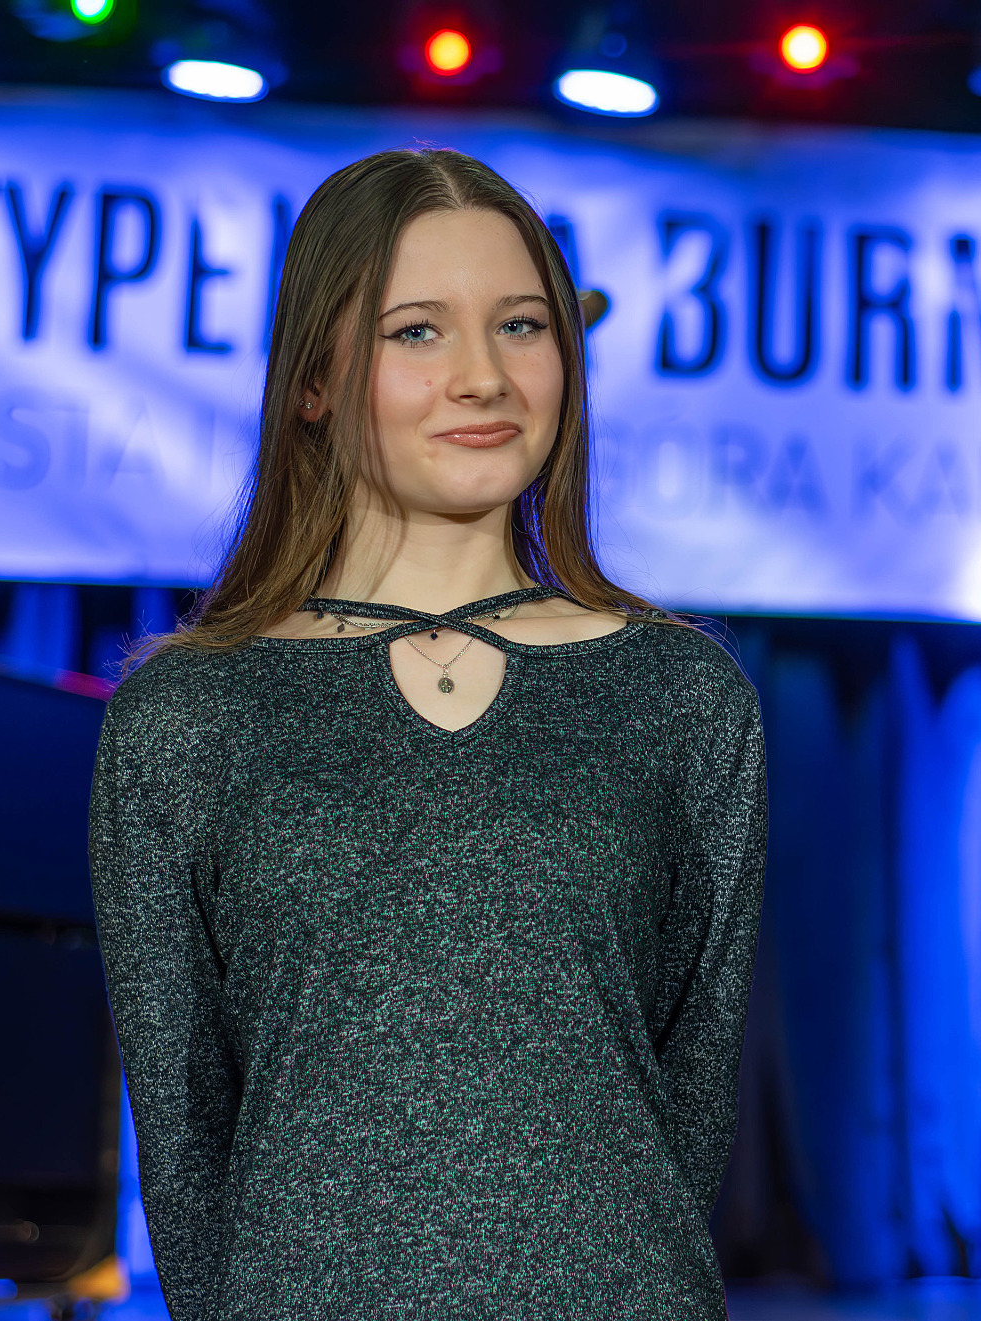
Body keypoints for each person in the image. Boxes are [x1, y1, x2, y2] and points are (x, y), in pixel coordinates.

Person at [90, 148, 765, 1320]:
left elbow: (689, 1099)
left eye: (521, 326)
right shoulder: (188, 715)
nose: (483, 377)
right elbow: (186, 1144)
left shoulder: (681, 696)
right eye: (417, 332)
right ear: (312, 379)